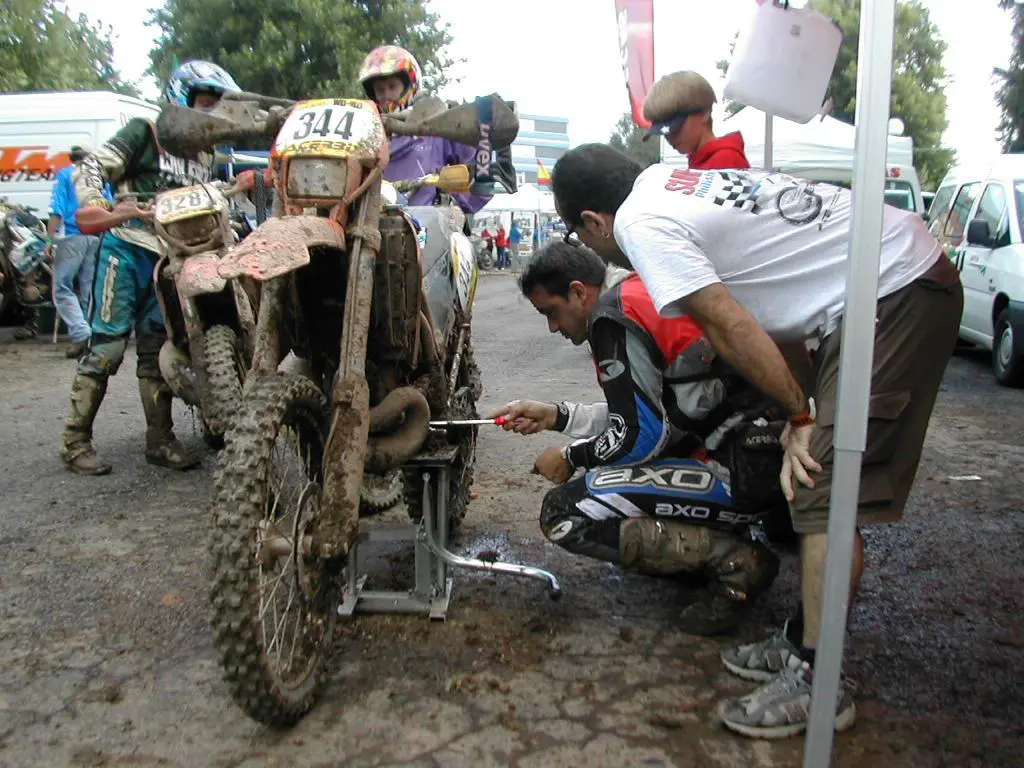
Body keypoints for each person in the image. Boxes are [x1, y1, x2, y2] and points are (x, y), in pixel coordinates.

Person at [548, 143, 962, 738]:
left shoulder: (640, 224)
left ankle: (820, 682)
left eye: (579, 233)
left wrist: (799, 417)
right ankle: (804, 639)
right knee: (816, 483)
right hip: (876, 283)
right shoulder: (670, 183)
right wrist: (803, 403)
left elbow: (728, 324)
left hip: (895, 286)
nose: (588, 247)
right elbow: (771, 312)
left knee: (824, 491)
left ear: (593, 220)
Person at [492, 241, 791, 635]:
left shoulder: (611, 318)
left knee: (565, 512)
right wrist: (557, 415)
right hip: (760, 452)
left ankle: (737, 562)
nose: (553, 327)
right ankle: (715, 541)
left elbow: (639, 436)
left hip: (741, 467)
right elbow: (650, 416)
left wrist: (571, 456)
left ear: (579, 292)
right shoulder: (636, 290)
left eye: (551, 312)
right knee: (616, 474)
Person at [59, 60, 242, 476]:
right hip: (126, 249)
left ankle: (159, 439)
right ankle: (74, 440)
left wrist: (234, 188)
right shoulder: (147, 131)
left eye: (215, 104)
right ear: (181, 97)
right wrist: (96, 203)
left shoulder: (206, 150)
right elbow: (92, 166)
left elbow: (195, 195)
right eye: (203, 100)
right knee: (106, 348)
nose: (208, 110)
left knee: (156, 349)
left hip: (171, 258)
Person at [358, 45, 492, 215]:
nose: (386, 95)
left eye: (392, 86)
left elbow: (479, 173)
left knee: (454, 236)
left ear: (409, 86)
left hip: (424, 225)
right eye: (380, 90)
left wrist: (483, 135)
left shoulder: (434, 127)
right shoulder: (363, 132)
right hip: (368, 220)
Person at [47, 145, 107, 358]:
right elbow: (108, 205)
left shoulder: (65, 174)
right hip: (97, 236)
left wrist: (49, 239)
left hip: (72, 235)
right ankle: (89, 337)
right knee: (89, 288)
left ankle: (81, 332)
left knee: (62, 287)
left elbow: (57, 209)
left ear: (71, 158)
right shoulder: (99, 176)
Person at [641, 71, 750, 170]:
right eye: (663, 133)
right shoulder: (699, 159)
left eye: (676, 127)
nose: (670, 137)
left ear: (704, 113)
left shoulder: (725, 161)